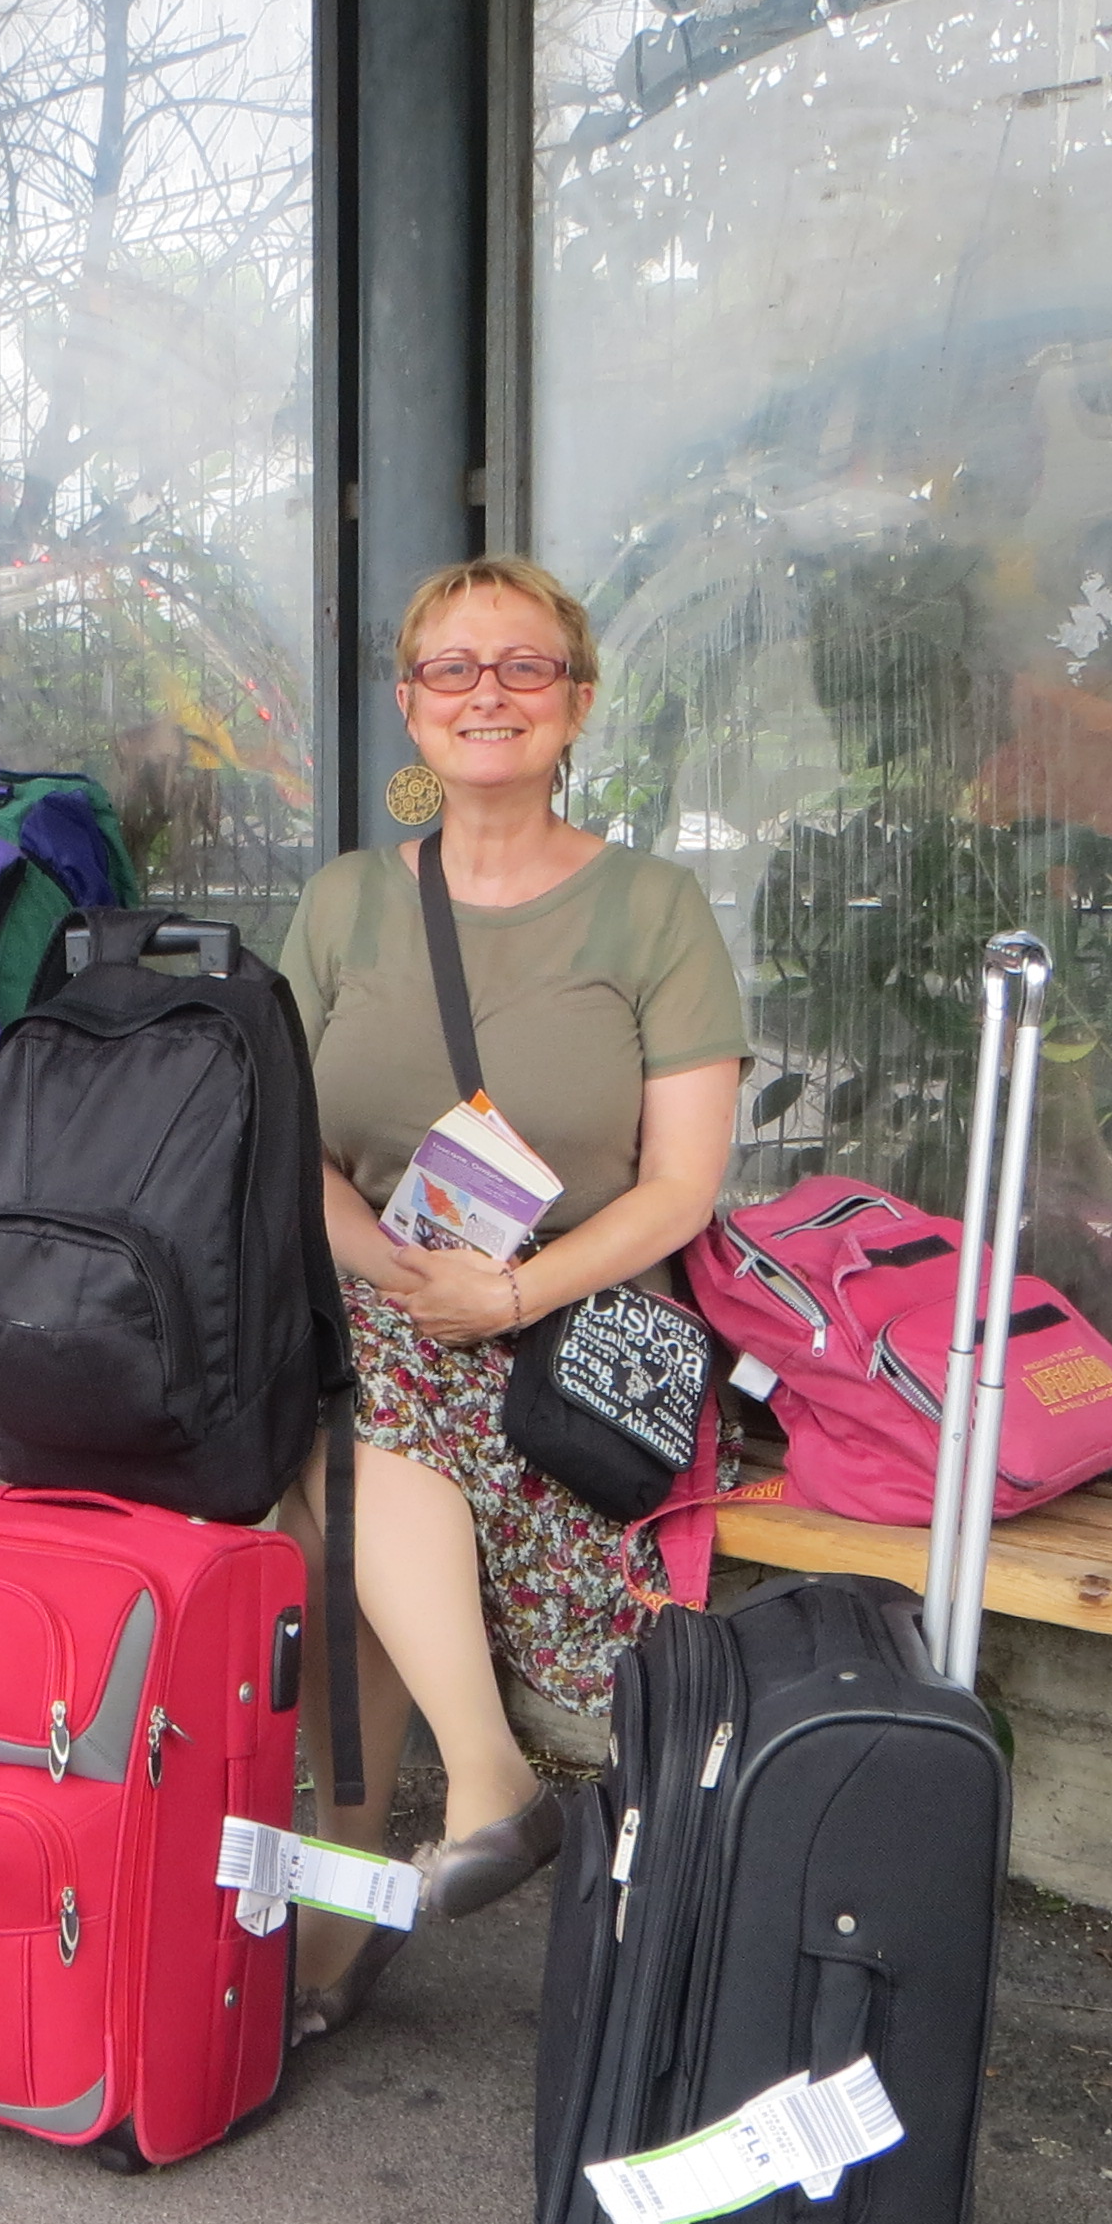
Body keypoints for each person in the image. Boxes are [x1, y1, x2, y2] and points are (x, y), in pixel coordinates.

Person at [276, 556, 748, 2041]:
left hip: (574, 1337)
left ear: (578, 703)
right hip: (384, 1296)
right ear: (410, 705)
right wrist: (399, 1273)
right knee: (348, 1413)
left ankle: (378, 1877)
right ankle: (477, 1787)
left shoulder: (653, 908)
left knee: (347, 1462)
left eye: (524, 666)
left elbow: (680, 1189)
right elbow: (282, 1140)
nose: (488, 694)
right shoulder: (346, 904)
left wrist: (511, 1288)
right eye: (453, 668)